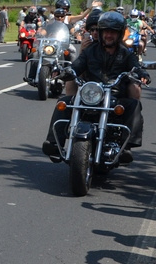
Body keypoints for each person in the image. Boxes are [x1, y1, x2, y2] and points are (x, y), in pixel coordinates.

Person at [41, 10, 149, 164]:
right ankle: (54, 144)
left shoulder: (126, 54)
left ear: (119, 34)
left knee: (134, 105)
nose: (108, 35)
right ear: (101, 32)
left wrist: (141, 73)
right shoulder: (90, 51)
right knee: (64, 103)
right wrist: (66, 71)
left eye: (113, 32)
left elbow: (135, 66)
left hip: (115, 95)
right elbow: (77, 65)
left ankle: (126, 147)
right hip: (91, 93)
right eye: (105, 32)